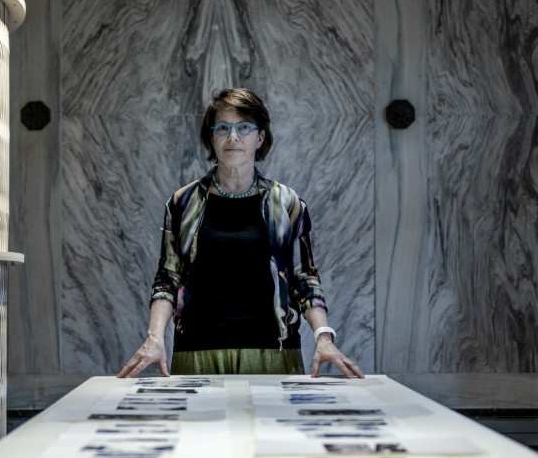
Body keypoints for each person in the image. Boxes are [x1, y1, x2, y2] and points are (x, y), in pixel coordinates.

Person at [118, 88, 364, 379]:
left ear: (260, 138)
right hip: (196, 352)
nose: (232, 136)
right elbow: (168, 277)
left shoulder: (287, 203)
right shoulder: (182, 203)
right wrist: (154, 338)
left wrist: (323, 336)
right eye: (222, 128)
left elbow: (304, 278)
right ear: (212, 138)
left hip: (273, 354)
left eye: (244, 127)